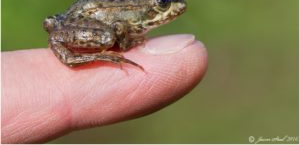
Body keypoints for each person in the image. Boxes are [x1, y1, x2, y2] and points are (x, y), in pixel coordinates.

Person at [1, 34, 208, 143]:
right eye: (162, 4)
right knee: (108, 38)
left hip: (81, 18)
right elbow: (122, 39)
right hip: (85, 25)